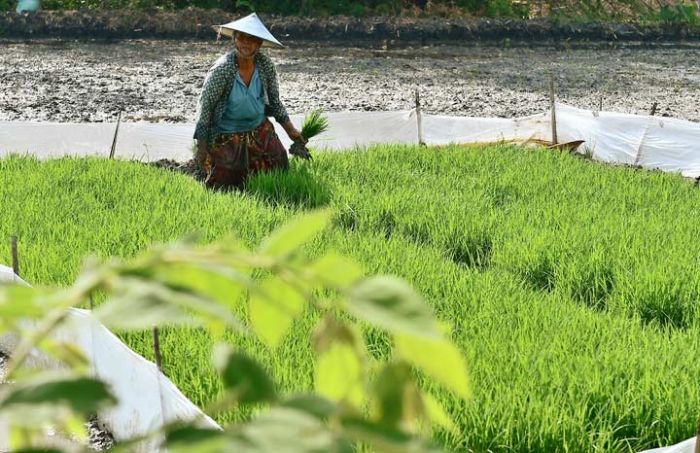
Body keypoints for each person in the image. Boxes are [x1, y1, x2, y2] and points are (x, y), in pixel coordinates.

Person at [193, 13, 306, 190]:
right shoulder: (222, 70)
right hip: (227, 135)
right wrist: (201, 147)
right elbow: (205, 107)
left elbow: (275, 102)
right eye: (241, 38)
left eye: (252, 39)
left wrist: (291, 131)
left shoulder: (265, 66)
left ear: (259, 44)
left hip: (259, 131)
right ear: (235, 39)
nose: (246, 43)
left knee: (279, 165)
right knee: (226, 183)